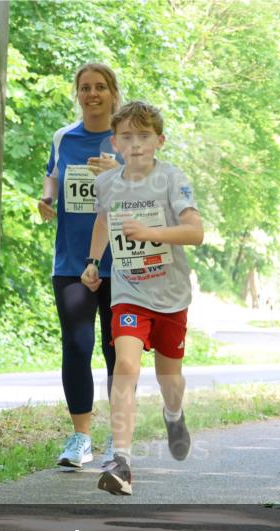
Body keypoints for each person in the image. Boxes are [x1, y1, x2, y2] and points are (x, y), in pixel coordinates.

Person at [82, 101, 204, 496]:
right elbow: (104, 219)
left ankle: (173, 413)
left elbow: (195, 231)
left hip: (170, 295)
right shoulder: (107, 183)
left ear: (159, 141)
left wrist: (153, 234)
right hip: (129, 292)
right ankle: (121, 460)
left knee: (170, 378)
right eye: (127, 137)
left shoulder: (173, 179)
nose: (135, 144)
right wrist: (92, 261)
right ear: (115, 143)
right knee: (126, 366)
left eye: (144, 136)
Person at [38, 63, 122, 469]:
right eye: (85, 88)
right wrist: (46, 199)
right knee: (75, 345)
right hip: (71, 260)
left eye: (100, 87)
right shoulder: (63, 137)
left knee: (116, 352)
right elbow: (52, 176)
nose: (92, 94)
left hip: (121, 262)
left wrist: (119, 174)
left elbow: (150, 189)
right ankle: (80, 440)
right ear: (78, 94)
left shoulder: (127, 139)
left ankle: (117, 440)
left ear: (113, 94)